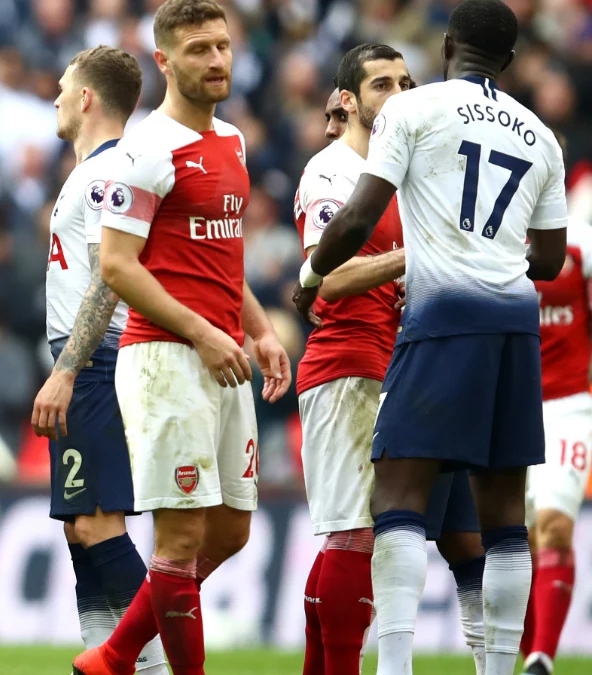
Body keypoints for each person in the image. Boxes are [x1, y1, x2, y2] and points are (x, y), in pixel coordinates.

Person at [292, 1, 569, 674]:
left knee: (396, 497)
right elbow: (551, 261)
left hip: (441, 320)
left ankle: (393, 667)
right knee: (501, 515)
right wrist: (495, 250)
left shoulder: (414, 114)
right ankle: (501, 665)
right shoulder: (540, 136)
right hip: (514, 326)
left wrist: (312, 273)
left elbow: (359, 216)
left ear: (447, 47)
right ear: (508, 60)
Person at [70, 1, 292, 673]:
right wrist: (201, 332)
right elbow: (115, 265)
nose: (217, 59)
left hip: (223, 351)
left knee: (231, 528)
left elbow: (220, 256)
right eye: (198, 49)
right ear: (164, 60)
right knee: (181, 534)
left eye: (222, 45)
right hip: (166, 357)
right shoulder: (143, 149)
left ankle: (114, 652)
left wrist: (259, 330)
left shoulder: (233, 141)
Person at [295, 44, 489, 675]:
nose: (400, 93)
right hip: (346, 366)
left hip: (401, 365)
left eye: (407, 82)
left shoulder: (402, 176)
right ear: (347, 101)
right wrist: (416, 255)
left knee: (402, 536)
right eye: (382, 84)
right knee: (356, 535)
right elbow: (330, 279)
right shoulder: (331, 173)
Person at [30, 45, 167, 675]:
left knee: (97, 524)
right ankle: (112, 660)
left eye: (63, 87)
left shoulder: (105, 173)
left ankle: (161, 662)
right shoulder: (88, 170)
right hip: (82, 361)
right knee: (79, 528)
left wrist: (65, 370)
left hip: (95, 364)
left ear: (86, 98)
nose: (56, 97)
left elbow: (107, 281)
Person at [521, 130, 592, 675]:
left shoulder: (582, 249)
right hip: (510, 409)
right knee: (513, 542)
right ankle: (524, 652)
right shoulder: (491, 246)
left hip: (569, 407)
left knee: (555, 526)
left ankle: (543, 655)